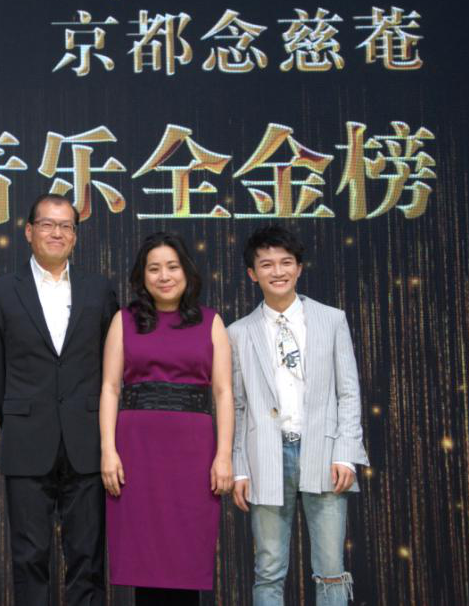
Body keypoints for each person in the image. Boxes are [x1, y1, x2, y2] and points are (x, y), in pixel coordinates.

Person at [0, 194, 119, 605]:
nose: (57, 232)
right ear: (29, 232)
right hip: (26, 440)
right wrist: (18, 416)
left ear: (75, 235)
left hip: (87, 441)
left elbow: (113, 365)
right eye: (47, 224)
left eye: (66, 226)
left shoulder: (98, 290)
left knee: (87, 558)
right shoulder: (2, 291)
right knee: (29, 558)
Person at [228, 225, 369, 606]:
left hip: (323, 453)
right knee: (269, 569)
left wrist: (346, 454)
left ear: (299, 268)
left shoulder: (331, 319)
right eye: (267, 264)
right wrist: (239, 467)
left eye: (286, 262)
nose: (278, 271)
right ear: (252, 273)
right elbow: (237, 406)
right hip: (266, 457)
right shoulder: (238, 333)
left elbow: (348, 392)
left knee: (331, 568)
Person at [100, 231, 234, 605]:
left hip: (194, 453)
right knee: (145, 556)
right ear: (142, 276)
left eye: (172, 267)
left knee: (187, 554)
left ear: (186, 271)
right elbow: (110, 388)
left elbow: (224, 392)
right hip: (137, 451)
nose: (164, 276)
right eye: (154, 268)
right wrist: (108, 450)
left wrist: (224, 455)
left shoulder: (211, 321)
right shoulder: (124, 321)